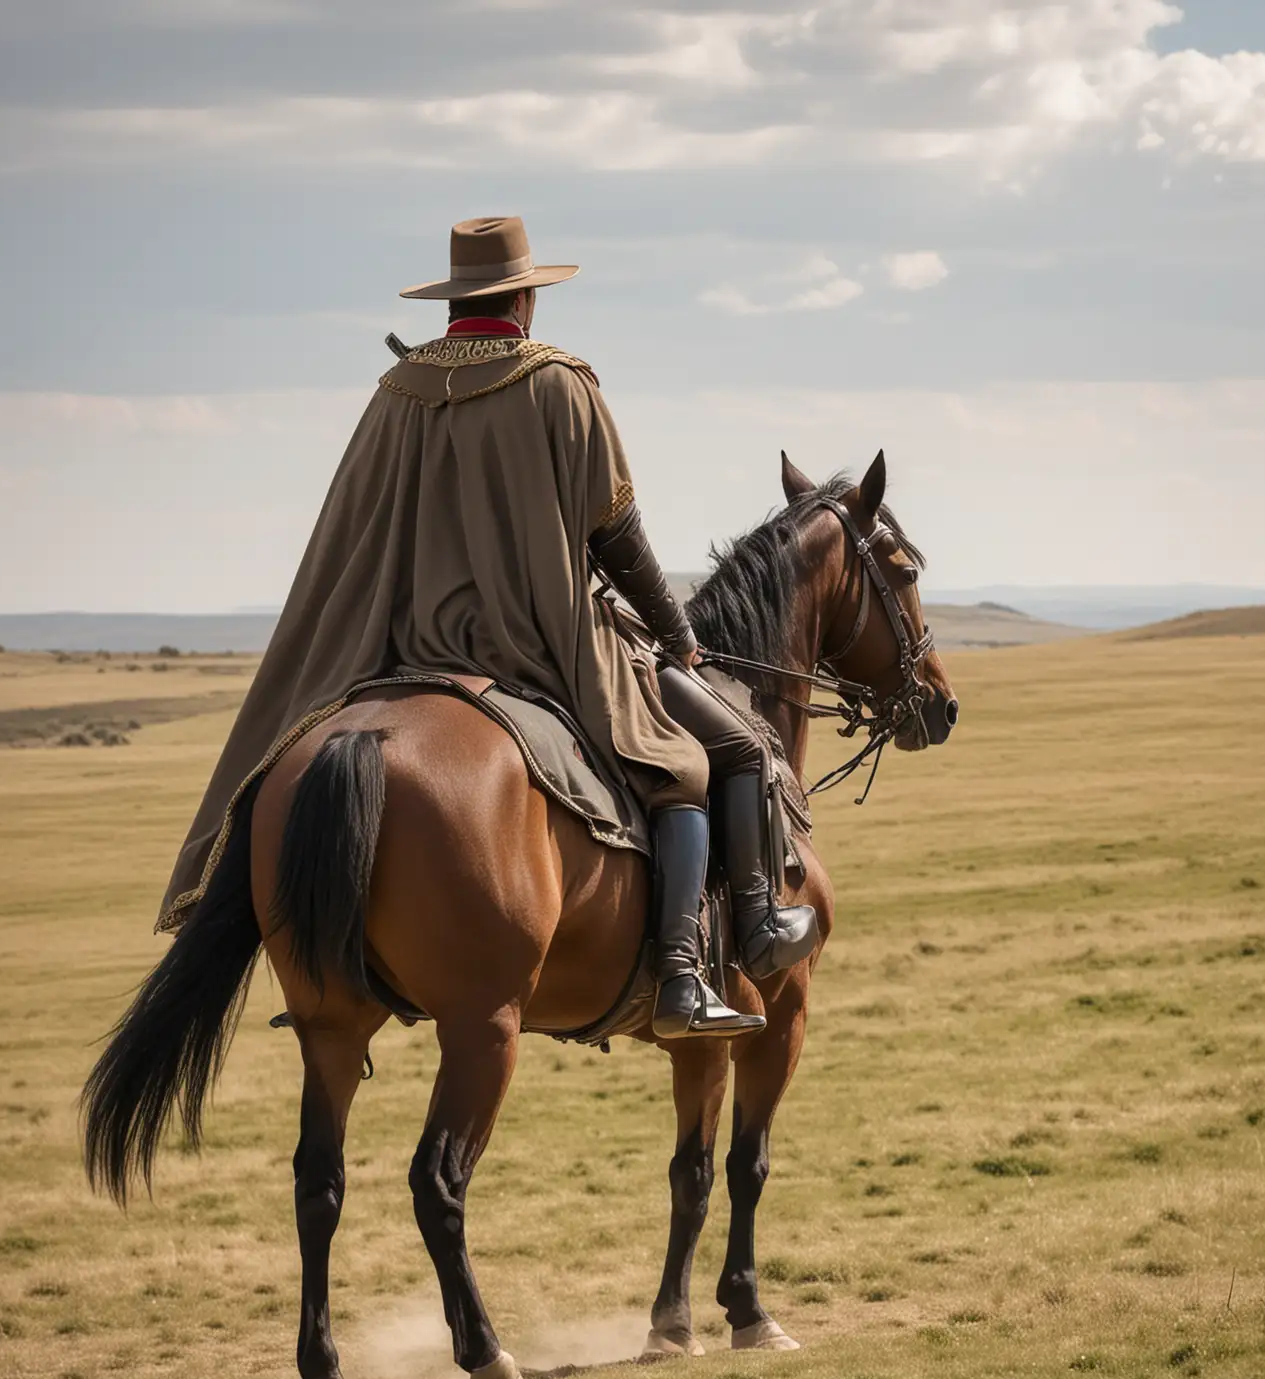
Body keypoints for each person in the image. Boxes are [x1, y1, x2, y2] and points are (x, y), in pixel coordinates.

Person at [157, 216, 816, 1040]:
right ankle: (701, 965)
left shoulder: (397, 391)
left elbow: (355, 530)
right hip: (541, 643)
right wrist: (675, 633)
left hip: (404, 644)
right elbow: (617, 534)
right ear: (526, 298)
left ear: (457, 301)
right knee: (700, 760)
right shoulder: (559, 382)